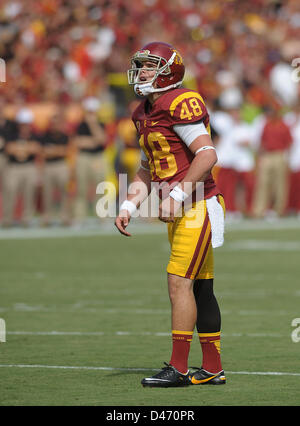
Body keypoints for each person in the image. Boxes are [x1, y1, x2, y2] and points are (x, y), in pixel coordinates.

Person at [115, 42, 226, 387]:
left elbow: (207, 155)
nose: (143, 72)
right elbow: (148, 168)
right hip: (180, 208)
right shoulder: (142, 112)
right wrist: (128, 205)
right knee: (200, 289)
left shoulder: (180, 101)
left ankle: (178, 369)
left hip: (198, 204)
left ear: (170, 71)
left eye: (150, 66)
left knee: (179, 283)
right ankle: (212, 369)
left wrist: (176, 195)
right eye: (141, 66)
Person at [2, 108, 40, 227]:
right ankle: (7, 219)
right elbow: (9, 149)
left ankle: (26, 219)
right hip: (14, 167)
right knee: (10, 193)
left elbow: (36, 149)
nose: (25, 126)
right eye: (23, 124)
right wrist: (26, 149)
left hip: (29, 166)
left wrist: (20, 149)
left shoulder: (34, 135)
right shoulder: (11, 134)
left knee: (29, 193)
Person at [38, 112, 71, 226]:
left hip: (61, 165)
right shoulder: (44, 136)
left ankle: (64, 216)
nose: (54, 126)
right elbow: (42, 152)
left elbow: (65, 151)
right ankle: (47, 217)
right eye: (53, 124)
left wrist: (52, 151)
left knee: (64, 191)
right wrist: (57, 151)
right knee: (47, 193)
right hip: (48, 166)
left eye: (57, 124)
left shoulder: (65, 136)